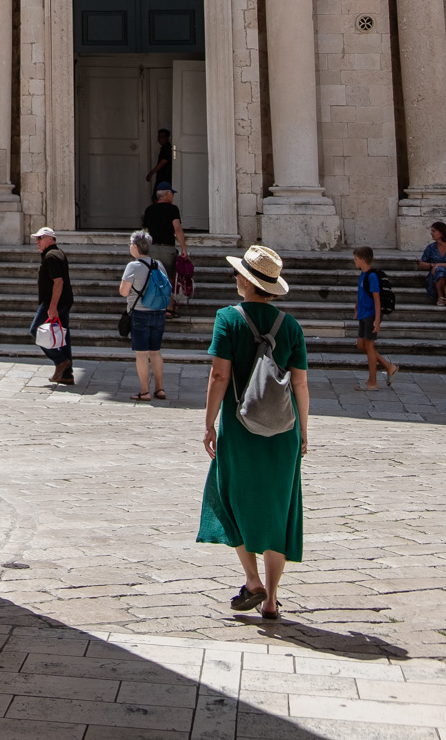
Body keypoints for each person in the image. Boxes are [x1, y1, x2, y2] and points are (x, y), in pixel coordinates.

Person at [198, 244, 309, 622]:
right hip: (284, 432)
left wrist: (209, 423)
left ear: (246, 281)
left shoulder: (227, 319)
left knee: (228, 498)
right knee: (279, 510)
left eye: (238, 273)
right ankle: (271, 599)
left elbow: (219, 375)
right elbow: (301, 384)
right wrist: (304, 430)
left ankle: (252, 579)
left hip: (239, 429)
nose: (235, 277)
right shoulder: (291, 326)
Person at [119, 228, 171, 400]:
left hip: (140, 313)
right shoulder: (158, 264)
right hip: (159, 312)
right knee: (155, 351)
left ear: (135, 246)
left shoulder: (132, 266)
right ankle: (160, 388)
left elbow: (123, 292)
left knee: (141, 353)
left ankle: (144, 391)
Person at [29, 225, 75, 385]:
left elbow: (58, 282)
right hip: (63, 301)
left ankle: (60, 360)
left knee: (35, 330)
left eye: (40, 238)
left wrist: (53, 306)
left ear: (50, 239)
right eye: (36, 239)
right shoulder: (57, 253)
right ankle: (67, 375)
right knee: (64, 336)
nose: (37, 241)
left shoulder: (51, 256)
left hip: (54, 302)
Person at [353, 245, 397, 388]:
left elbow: (377, 300)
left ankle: (373, 382)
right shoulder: (363, 274)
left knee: (369, 347)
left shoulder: (372, 276)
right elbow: (361, 293)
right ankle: (389, 366)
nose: (354, 261)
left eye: (356, 259)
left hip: (371, 315)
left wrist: (377, 320)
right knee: (361, 345)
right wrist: (356, 308)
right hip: (363, 314)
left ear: (362, 260)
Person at [141, 184, 189, 307]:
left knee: (152, 278)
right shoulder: (173, 209)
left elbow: (145, 231)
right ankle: (169, 308)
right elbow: (177, 229)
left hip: (152, 249)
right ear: (167, 194)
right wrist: (183, 248)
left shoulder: (149, 209)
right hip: (167, 249)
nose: (172, 196)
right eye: (172, 194)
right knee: (169, 280)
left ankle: (153, 306)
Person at [419, 222, 446, 325]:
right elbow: (421, 263)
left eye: (434, 231)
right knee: (440, 271)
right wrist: (432, 265)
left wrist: (438, 265)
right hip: (435, 280)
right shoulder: (431, 248)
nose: (431, 233)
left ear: (441, 233)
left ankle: (443, 301)